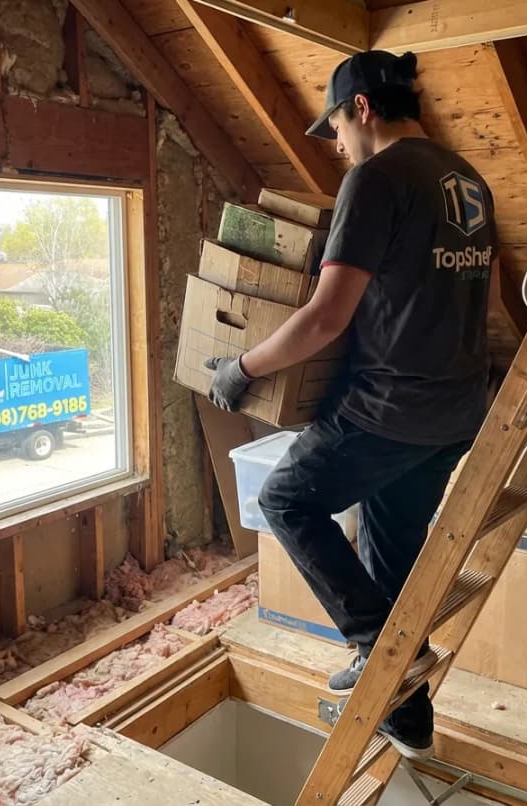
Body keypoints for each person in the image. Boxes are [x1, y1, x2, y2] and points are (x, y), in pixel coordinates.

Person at [204, 49, 497, 758]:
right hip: (456, 412)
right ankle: (409, 720)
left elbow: (324, 318)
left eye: (335, 126)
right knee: (391, 555)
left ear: (362, 107)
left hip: (389, 409)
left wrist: (242, 368)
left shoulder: (377, 179)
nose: (337, 145)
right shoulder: (469, 179)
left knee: (287, 502)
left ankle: (375, 645)